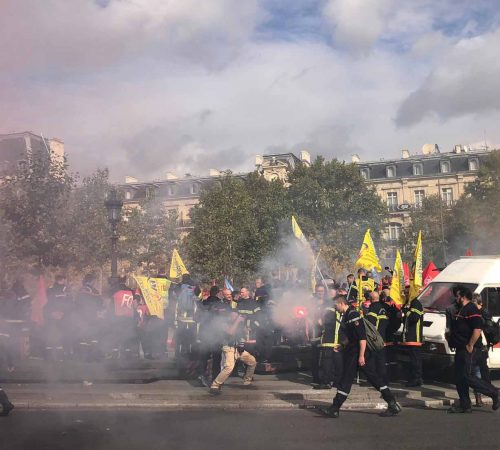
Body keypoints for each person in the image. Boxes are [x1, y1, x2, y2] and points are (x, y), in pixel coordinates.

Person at [320, 296, 401, 418]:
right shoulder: (347, 315)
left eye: (335, 305)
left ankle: (335, 408)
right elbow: (352, 337)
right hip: (355, 352)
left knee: (348, 379)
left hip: (358, 353)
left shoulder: (353, 315)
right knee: (371, 379)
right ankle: (392, 403)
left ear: (341, 303)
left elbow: (362, 337)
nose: (334, 307)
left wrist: (361, 356)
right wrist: (342, 345)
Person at [447, 287, 499, 413]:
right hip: (460, 348)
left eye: (458, 296)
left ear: (463, 296)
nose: (456, 298)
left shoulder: (471, 309)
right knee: (459, 377)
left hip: (470, 349)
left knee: (467, 375)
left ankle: (493, 392)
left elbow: (477, 329)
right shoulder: (461, 309)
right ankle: (465, 405)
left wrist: (470, 345)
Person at [209, 311, 257, 395]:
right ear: (229, 317)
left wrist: (244, 325)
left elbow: (245, 333)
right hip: (228, 348)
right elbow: (230, 333)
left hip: (237, 348)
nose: (235, 317)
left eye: (237, 316)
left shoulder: (238, 324)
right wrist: (237, 321)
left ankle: (247, 381)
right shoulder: (224, 324)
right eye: (233, 316)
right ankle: (215, 385)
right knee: (229, 367)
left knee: (252, 361)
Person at [317, 294, 344, 389]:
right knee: (338, 364)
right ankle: (338, 383)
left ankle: (326, 382)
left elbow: (322, 324)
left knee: (327, 364)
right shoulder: (342, 312)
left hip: (328, 341)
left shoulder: (328, 312)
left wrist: (320, 321)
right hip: (339, 342)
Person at [44, 274, 71, 361]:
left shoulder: (50, 289)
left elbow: (47, 303)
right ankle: (60, 356)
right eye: (65, 280)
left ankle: (49, 356)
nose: (66, 282)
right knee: (61, 335)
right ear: (62, 280)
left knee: (51, 335)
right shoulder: (65, 290)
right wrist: (61, 313)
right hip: (61, 317)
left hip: (53, 316)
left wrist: (52, 312)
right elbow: (69, 303)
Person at [471, 293, 491, 407]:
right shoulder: (485, 313)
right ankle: (483, 396)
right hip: (482, 346)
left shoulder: (480, 314)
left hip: (478, 346)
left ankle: (480, 397)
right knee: (479, 371)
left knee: (477, 371)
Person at [400, 294, 424, 387]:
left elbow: (414, 317)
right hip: (409, 336)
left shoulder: (416, 303)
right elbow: (406, 320)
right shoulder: (409, 303)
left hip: (415, 337)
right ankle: (413, 378)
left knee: (415, 359)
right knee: (411, 359)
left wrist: (405, 312)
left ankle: (416, 379)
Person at [366, 291, 389, 385]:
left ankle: (373, 380)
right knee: (381, 360)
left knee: (372, 359)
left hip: (375, 338)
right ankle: (383, 380)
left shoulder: (373, 307)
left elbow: (371, 323)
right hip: (384, 337)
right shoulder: (385, 307)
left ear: (371, 299)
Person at [310, 284, 327, 386]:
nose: (320, 293)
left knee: (326, 355)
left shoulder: (327, 302)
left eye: (322, 291)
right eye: (319, 291)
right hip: (315, 331)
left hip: (326, 331)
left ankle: (325, 377)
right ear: (315, 291)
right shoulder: (312, 302)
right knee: (315, 356)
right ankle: (315, 377)